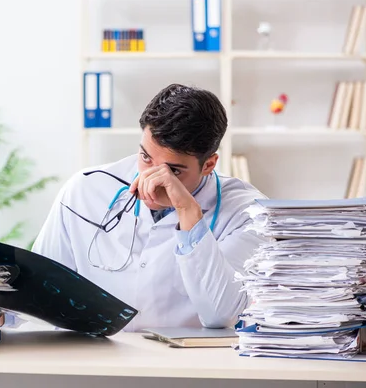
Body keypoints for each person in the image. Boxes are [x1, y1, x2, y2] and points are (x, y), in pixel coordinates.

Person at [32, 83, 268, 331]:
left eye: (174, 170)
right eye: (146, 157)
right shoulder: (84, 190)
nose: (152, 179)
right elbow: (37, 291)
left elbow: (221, 316)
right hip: (96, 358)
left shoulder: (249, 213)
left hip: (189, 366)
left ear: (208, 165)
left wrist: (188, 213)